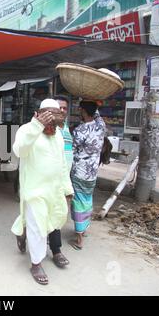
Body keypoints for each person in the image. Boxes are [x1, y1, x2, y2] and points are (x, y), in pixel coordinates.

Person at [11, 98, 74, 285]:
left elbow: (62, 164)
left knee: (54, 221)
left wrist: (66, 188)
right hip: (34, 190)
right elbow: (20, 151)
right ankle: (36, 263)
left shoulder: (59, 135)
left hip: (54, 190)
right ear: (38, 113)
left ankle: (21, 232)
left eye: (55, 114)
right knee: (37, 227)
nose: (51, 118)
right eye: (48, 113)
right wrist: (37, 126)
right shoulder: (26, 129)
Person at [69, 100, 106, 250]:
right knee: (87, 199)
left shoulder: (80, 131)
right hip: (92, 172)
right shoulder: (101, 125)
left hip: (80, 171)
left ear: (83, 110)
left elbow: (72, 149)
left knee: (78, 201)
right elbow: (96, 113)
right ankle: (83, 230)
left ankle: (79, 239)